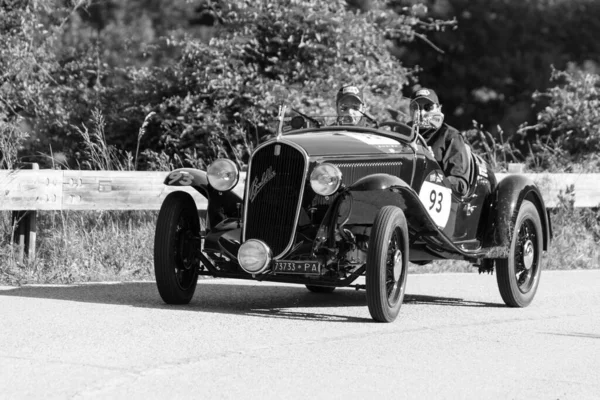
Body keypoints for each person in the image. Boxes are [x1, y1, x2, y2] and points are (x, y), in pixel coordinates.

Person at [410, 88, 471, 197]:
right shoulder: (404, 132)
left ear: (439, 108)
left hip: (434, 198)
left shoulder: (451, 136)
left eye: (428, 107)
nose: (422, 112)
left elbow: (460, 184)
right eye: (416, 107)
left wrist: (433, 167)